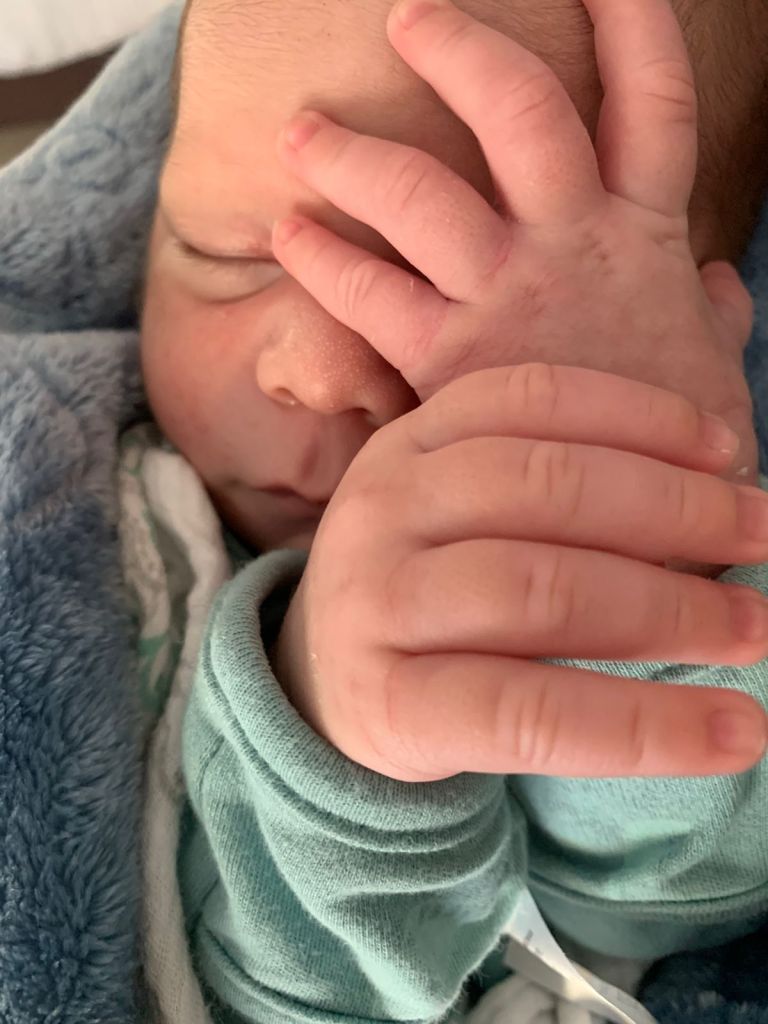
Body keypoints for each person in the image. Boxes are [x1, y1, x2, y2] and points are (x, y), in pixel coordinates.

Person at [135, 0, 768, 1020]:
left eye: (442, 288)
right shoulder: (101, 516)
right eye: (223, 256)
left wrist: (644, 551)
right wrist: (324, 727)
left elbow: (663, 905)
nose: (319, 373)